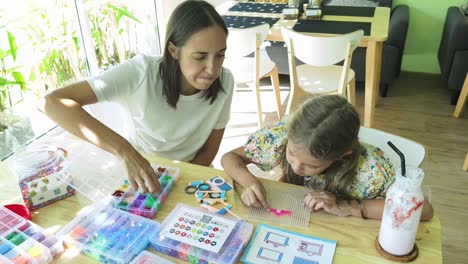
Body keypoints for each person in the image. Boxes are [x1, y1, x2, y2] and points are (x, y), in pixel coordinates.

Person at [39, 0, 233, 194]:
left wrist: (180, 185)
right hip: (145, 178)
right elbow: (52, 102)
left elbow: (209, 150)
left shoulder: (226, 81)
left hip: (192, 178)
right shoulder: (141, 72)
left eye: (220, 55)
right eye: (200, 57)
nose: (212, 69)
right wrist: (125, 151)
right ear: (173, 50)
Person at [221, 95, 433, 220]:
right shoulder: (281, 136)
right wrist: (249, 182)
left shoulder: (371, 169)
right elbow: (230, 157)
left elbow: (423, 211)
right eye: (291, 154)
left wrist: (350, 207)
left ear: (342, 155)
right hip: (294, 216)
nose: (295, 168)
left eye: (311, 166)